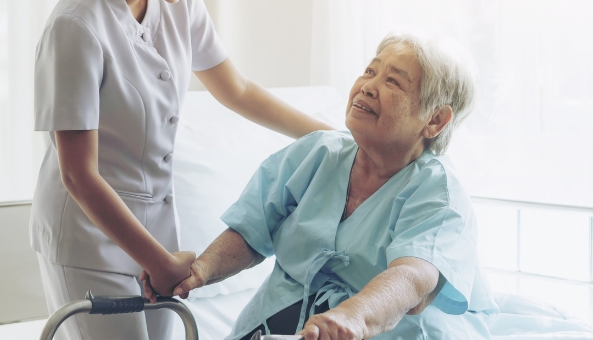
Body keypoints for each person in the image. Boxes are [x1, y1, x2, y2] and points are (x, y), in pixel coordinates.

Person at [30, 0, 333, 338]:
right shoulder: (77, 26)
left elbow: (236, 90)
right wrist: (160, 262)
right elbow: (78, 175)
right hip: (89, 242)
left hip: (156, 234)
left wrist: (333, 139)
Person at [144, 34, 498, 339]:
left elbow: (412, 278)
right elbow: (251, 230)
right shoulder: (316, 153)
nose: (368, 86)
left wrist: (354, 315)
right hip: (276, 322)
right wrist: (200, 270)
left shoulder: (439, 195)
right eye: (370, 71)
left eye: (393, 82)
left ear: (435, 119)